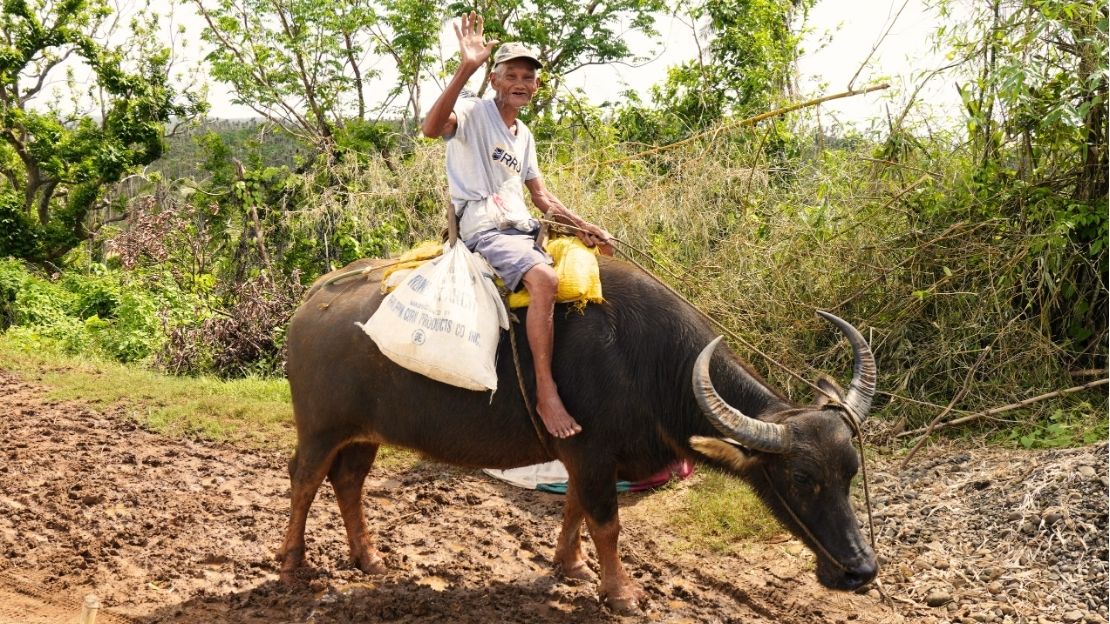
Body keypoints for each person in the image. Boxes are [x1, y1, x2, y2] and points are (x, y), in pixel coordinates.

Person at [421, 12, 613, 439]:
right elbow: (431, 129)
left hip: (522, 230)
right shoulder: (472, 112)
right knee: (545, 280)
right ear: (494, 80)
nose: (522, 83)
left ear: (537, 86)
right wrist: (464, 67)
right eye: (512, 75)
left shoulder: (523, 135)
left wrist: (586, 227)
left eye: (529, 77)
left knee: (595, 270)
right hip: (484, 230)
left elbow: (542, 198)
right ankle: (546, 395)